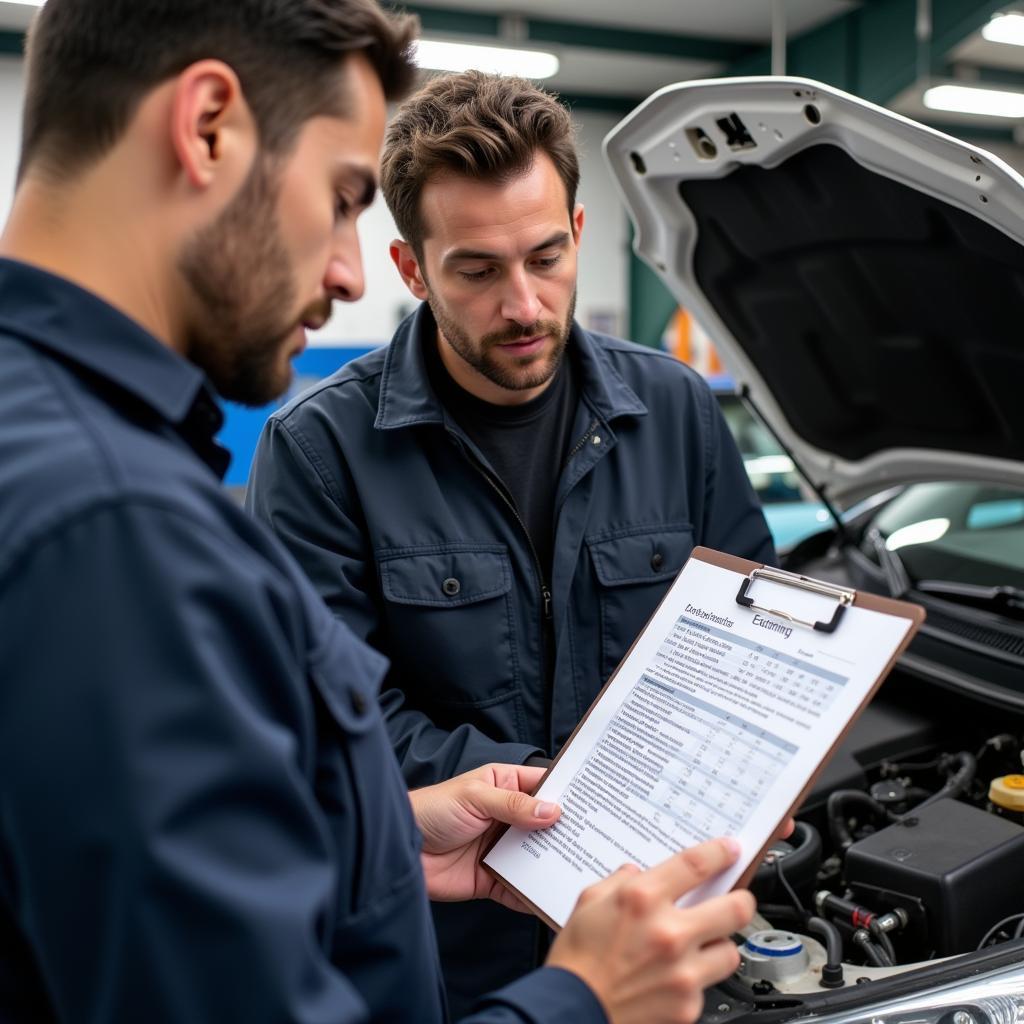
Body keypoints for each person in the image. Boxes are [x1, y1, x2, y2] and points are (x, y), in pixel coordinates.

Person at [0, 2, 758, 1022]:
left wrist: (392, 833)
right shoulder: (117, 526)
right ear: (208, 125)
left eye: (543, 259)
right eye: (341, 195)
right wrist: (583, 1001)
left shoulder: (55, 450)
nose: (349, 271)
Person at [246, 70, 777, 1012]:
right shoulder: (321, 452)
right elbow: (335, 728)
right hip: (452, 947)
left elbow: (748, 627)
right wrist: (562, 800)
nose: (525, 306)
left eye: (544, 257)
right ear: (413, 271)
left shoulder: (675, 410)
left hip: (667, 915)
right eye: (478, 271)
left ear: (578, 235)